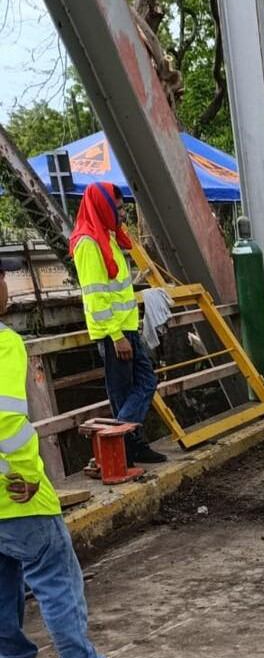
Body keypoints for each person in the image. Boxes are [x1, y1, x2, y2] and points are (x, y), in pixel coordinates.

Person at [0, 256, 146, 658]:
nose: (6, 285)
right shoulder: (4, 343)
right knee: (56, 581)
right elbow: (6, 420)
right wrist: (13, 477)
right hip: (16, 493)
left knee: (3, 586)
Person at [71, 183, 164, 465]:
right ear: (105, 208)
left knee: (144, 382)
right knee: (126, 391)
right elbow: (96, 298)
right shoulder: (88, 243)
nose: (122, 214)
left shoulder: (107, 237)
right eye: (119, 208)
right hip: (115, 334)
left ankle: (127, 442)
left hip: (126, 328)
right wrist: (116, 336)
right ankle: (118, 443)